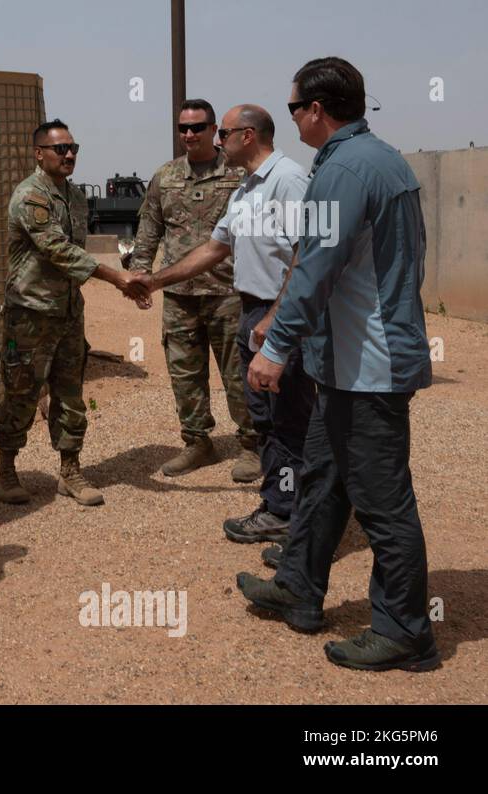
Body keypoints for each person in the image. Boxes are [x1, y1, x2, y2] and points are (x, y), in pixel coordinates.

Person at [236, 57, 440, 672]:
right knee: (323, 477)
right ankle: (299, 584)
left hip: (369, 364)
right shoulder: (372, 158)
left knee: (382, 500)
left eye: (295, 107)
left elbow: (318, 267)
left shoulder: (346, 169)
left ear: (317, 111)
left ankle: (406, 631)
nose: (293, 116)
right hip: (346, 363)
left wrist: (274, 348)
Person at [125, 104, 313, 543]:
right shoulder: (247, 188)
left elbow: (308, 253)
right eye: (184, 129)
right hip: (250, 309)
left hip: (270, 314)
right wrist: (151, 280)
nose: (208, 140)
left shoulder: (288, 180)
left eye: (217, 132)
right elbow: (213, 248)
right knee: (270, 416)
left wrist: (276, 317)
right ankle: (281, 507)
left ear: (245, 135)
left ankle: (298, 515)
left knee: (286, 418)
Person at [0, 119, 147, 506]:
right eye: (60, 149)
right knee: (21, 392)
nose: (69, 155)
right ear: (38, 153)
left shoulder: (76, 197)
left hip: (67, 311)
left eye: (73, 148)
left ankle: (70, 470)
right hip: (29, 312)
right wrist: (117, 278)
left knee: (70, 393)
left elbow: (77, 253)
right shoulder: (31, 196)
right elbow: (58, 250)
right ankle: (6, 469)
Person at [127, 99, 259, 481]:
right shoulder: (165, 177)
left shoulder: (239, 174)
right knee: (185, 375)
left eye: (197, 127)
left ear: (214, 130)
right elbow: (149, 230)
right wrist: (139, 274)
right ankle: (198, 442)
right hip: (180, 296)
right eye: (183, 127)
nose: (188, 134)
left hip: (229, 294)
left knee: (238, 374)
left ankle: (252, 444)